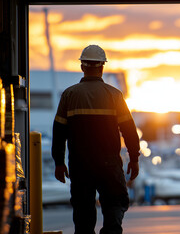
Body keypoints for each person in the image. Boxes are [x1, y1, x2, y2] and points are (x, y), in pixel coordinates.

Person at [51, 44, 140, 234]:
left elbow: (59, 132)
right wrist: (134, 158)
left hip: (80, 164)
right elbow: (129, 130)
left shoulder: (69, 95)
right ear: (102, 67)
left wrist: (58, 162)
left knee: (83, 212)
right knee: (115, 202)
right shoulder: (114, 95)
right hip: (109, 164)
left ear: (83, 66)